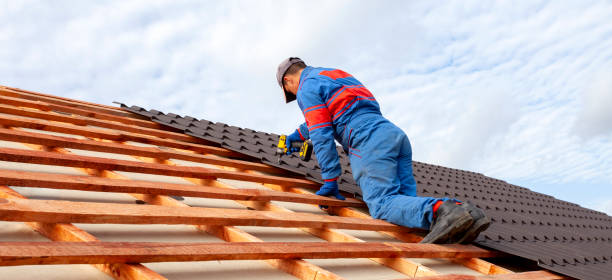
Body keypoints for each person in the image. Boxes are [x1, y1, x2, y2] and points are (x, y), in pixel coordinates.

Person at [276, 57, 490, 243]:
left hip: (367, 139)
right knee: (405, 207)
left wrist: (331, 180)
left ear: (288, 81)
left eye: (291, 93)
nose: (296, 95)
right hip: (391, 134)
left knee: (382, 204)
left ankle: (445, 211)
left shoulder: (306, 88)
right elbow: (325, 117)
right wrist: (297, 136)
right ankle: (467, 212)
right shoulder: (331, 74)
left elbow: (322, 134)